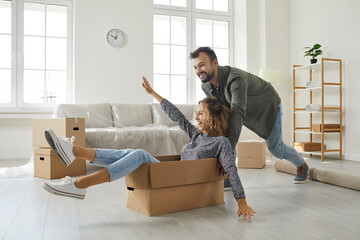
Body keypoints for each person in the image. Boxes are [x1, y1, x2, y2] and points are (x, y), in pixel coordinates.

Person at [42, 77, 256, 220]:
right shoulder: (196, 135)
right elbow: (176, 116)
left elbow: (232, 169)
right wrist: (153, 93)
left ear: (214, 117)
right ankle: (76, 153)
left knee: (140, 154)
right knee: (130, 153)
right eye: (197, 112)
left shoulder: (222, 143)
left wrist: (242, 201)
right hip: (171, 177)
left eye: (201, 113)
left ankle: (79, 181)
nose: (197, 116)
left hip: (177, 180)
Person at [189, 47, 308, 184]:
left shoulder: (236, 79)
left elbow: (237, 112)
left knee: (276, 148)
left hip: (267, 107)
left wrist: (229, 146)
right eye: (195, 67)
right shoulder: (206, 87)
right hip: (247, 111)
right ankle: (229, 175)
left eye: (202, 65)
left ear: (214, 62)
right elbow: (219, 114)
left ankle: (302, 165)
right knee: (225, 137)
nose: (198, 71)